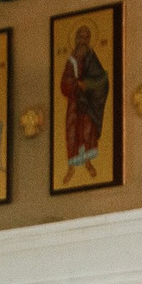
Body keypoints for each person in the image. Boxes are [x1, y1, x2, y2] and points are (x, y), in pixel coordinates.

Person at [58, 22, 110, 178]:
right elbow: (64, 81)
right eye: (80, 37)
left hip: (88, 102)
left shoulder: (92, 57)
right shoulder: (72, 60)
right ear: (76, 39)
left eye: (86, 37)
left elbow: (101, 78)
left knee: (87, 131)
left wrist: (88, 84)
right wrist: (75, 84)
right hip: (75, 101)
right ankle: (71, 168)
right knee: (72, 132)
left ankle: (88, 162)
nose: (83, 40)